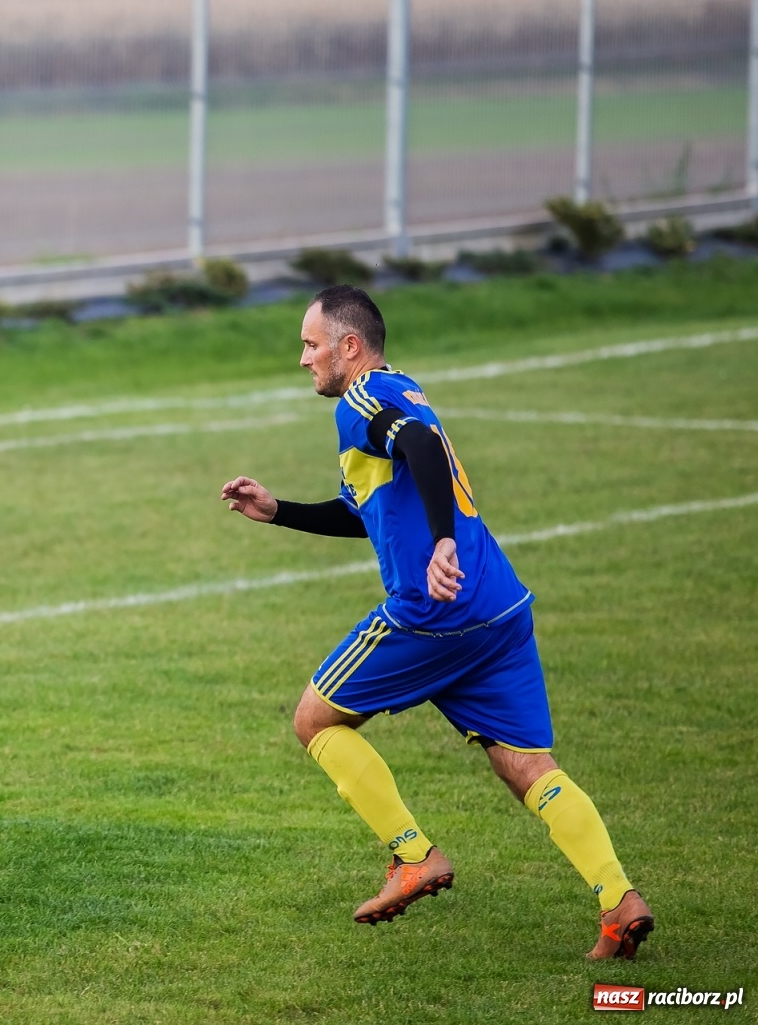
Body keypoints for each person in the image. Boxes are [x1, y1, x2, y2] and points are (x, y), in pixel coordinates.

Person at [220, 284, 653, 959]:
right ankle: (618, 898)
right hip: (497, 607)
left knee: (314, 720)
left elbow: (419, 445)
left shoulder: (366, 399)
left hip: (433, 614)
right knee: (527, 765)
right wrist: (279, 510)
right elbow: (365, 507)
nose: (304, 359)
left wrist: (443, 541)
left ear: (349, 347)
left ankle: (412, 856)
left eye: (311, 345)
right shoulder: (403, 390)